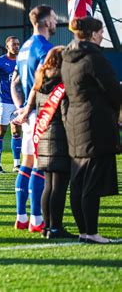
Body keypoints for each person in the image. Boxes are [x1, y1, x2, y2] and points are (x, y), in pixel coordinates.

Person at [61, 17, 120, 244]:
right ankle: (92, 232)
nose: (102, 35)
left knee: (78, 181)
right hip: (97, 124)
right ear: (93, 34)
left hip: (74, 124)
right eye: (101, 31)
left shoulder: (67, 57)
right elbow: (113, 91)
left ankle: (84, 231)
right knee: (92, 183)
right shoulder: (94, 57)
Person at [11, 5, 57, 232]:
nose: (56, 23)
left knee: (26, 164)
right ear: (46, 22)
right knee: (39, 165)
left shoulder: (24, 48)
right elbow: (39, 82)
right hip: (41, 112)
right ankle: (37, 220)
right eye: (54, 19)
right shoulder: (44, 48)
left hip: (30, 115)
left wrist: (21, 109)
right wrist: (29, 107)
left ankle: (21, 217)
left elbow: (14, 83)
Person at [34, 46, 76, 239]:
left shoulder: (41, 82)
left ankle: (47, 227)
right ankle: (56, 228)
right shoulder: (63, 84)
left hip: (43, 139)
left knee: (48, 186)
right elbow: (67, 117)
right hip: (59, 140)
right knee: (59, 187)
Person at [0, 36, 22, 173]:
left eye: (18, 44)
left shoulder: (22, 61)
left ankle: (17, 164)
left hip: (18, 102)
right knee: (0, 132)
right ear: (7, 46)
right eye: (13, 44)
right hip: (4, 101)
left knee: (17, 132)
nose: (16, 47)